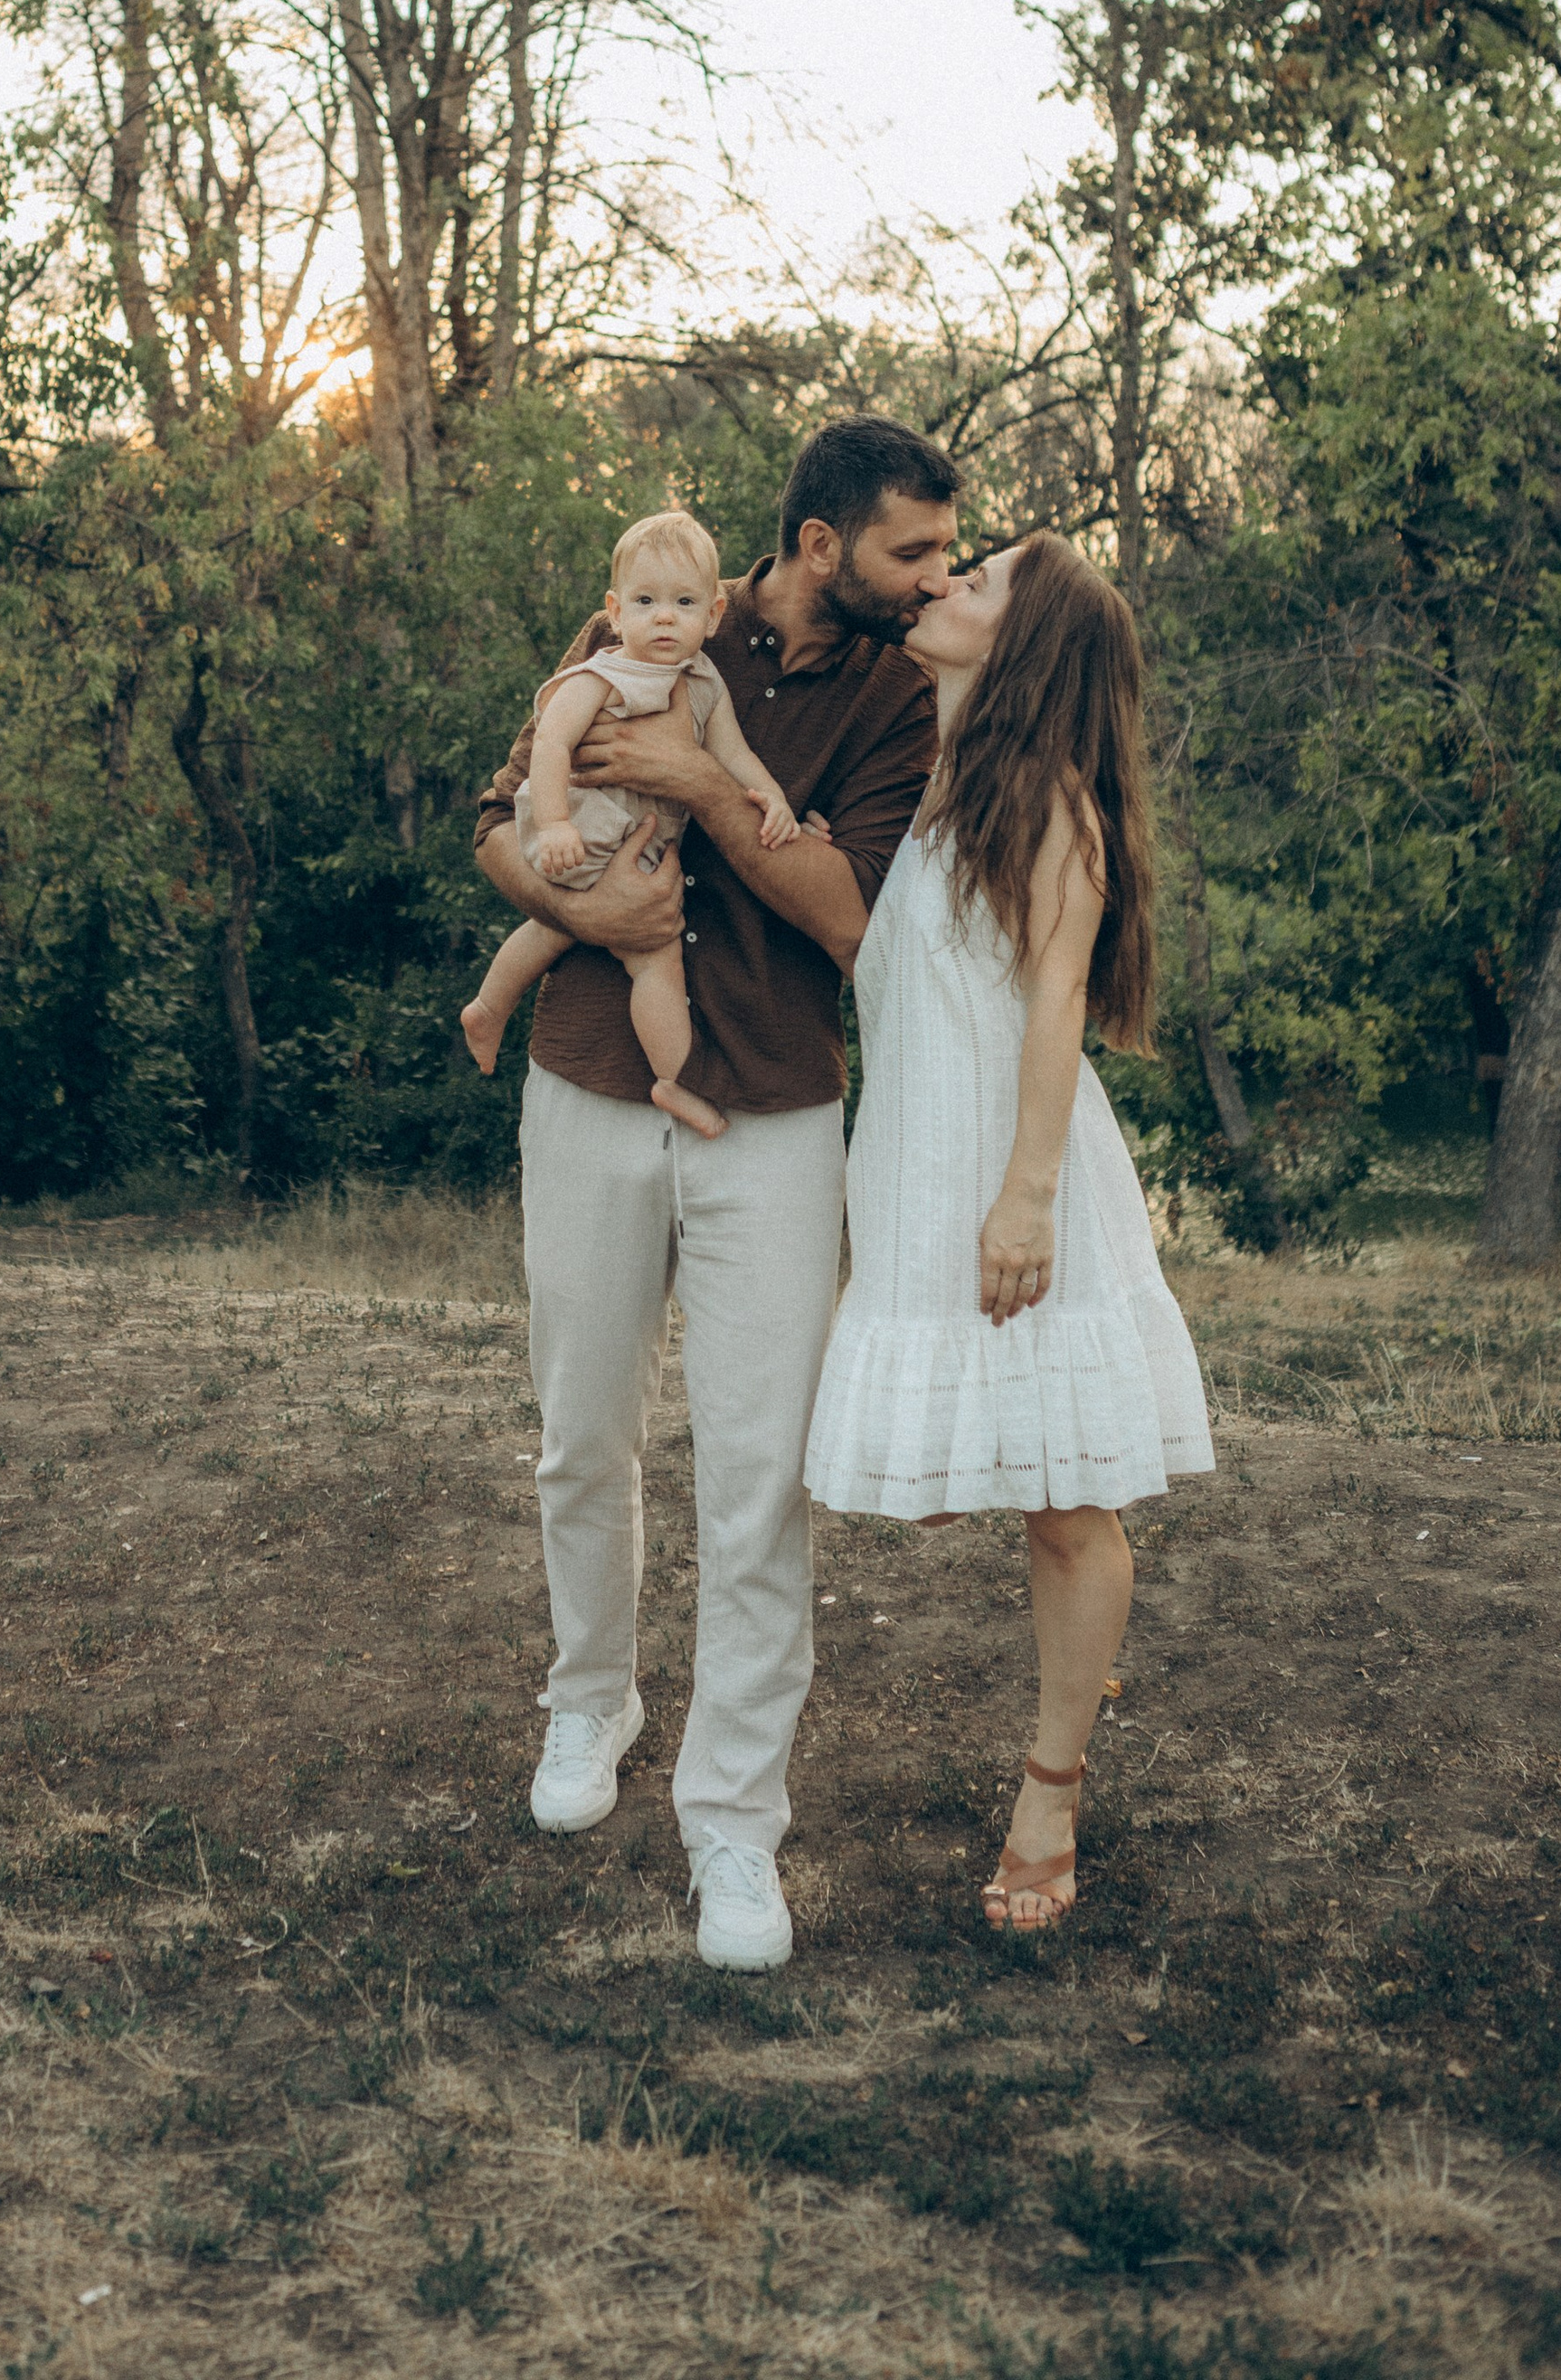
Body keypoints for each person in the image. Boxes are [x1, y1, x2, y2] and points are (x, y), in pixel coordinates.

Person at [474, 415, 960, 1969]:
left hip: (776, 1110)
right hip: (589, 1079)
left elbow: (849, 915)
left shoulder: (900, 703)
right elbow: (503, 817)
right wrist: (581, 897)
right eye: (912, 551)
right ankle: (587, 1704)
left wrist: (696, 773)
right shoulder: (651, 600)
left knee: (759, 1483)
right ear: (822, 548)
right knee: (580, 1438)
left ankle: (735, 1824)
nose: (932, 577)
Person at [801, 531, 1214, 1932]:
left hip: (1018, 1191)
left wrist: (1026, 1198)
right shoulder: (937, 787)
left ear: (1022, 642)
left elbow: (1054, 1007)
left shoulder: (1050, 807)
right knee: (1035, 1496)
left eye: (976, 581)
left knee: (1068, 1506)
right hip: (926, 1183)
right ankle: (1057, 1748)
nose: (943, 585)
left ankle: (1052, 1792)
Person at [461, 511, 800, 1138]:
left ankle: (487, 1007)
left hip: (633, 842)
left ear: (715, 615)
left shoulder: (704, 683)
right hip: (587, 829)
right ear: (616, 613)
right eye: (646, 601)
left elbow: (735, 758)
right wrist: (557, 824)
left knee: (552, 928)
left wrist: (775, 801)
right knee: (654, 960)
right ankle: (675, 1081)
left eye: (683, 602)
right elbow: (552, 745)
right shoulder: (602, 672)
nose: (664, 616)